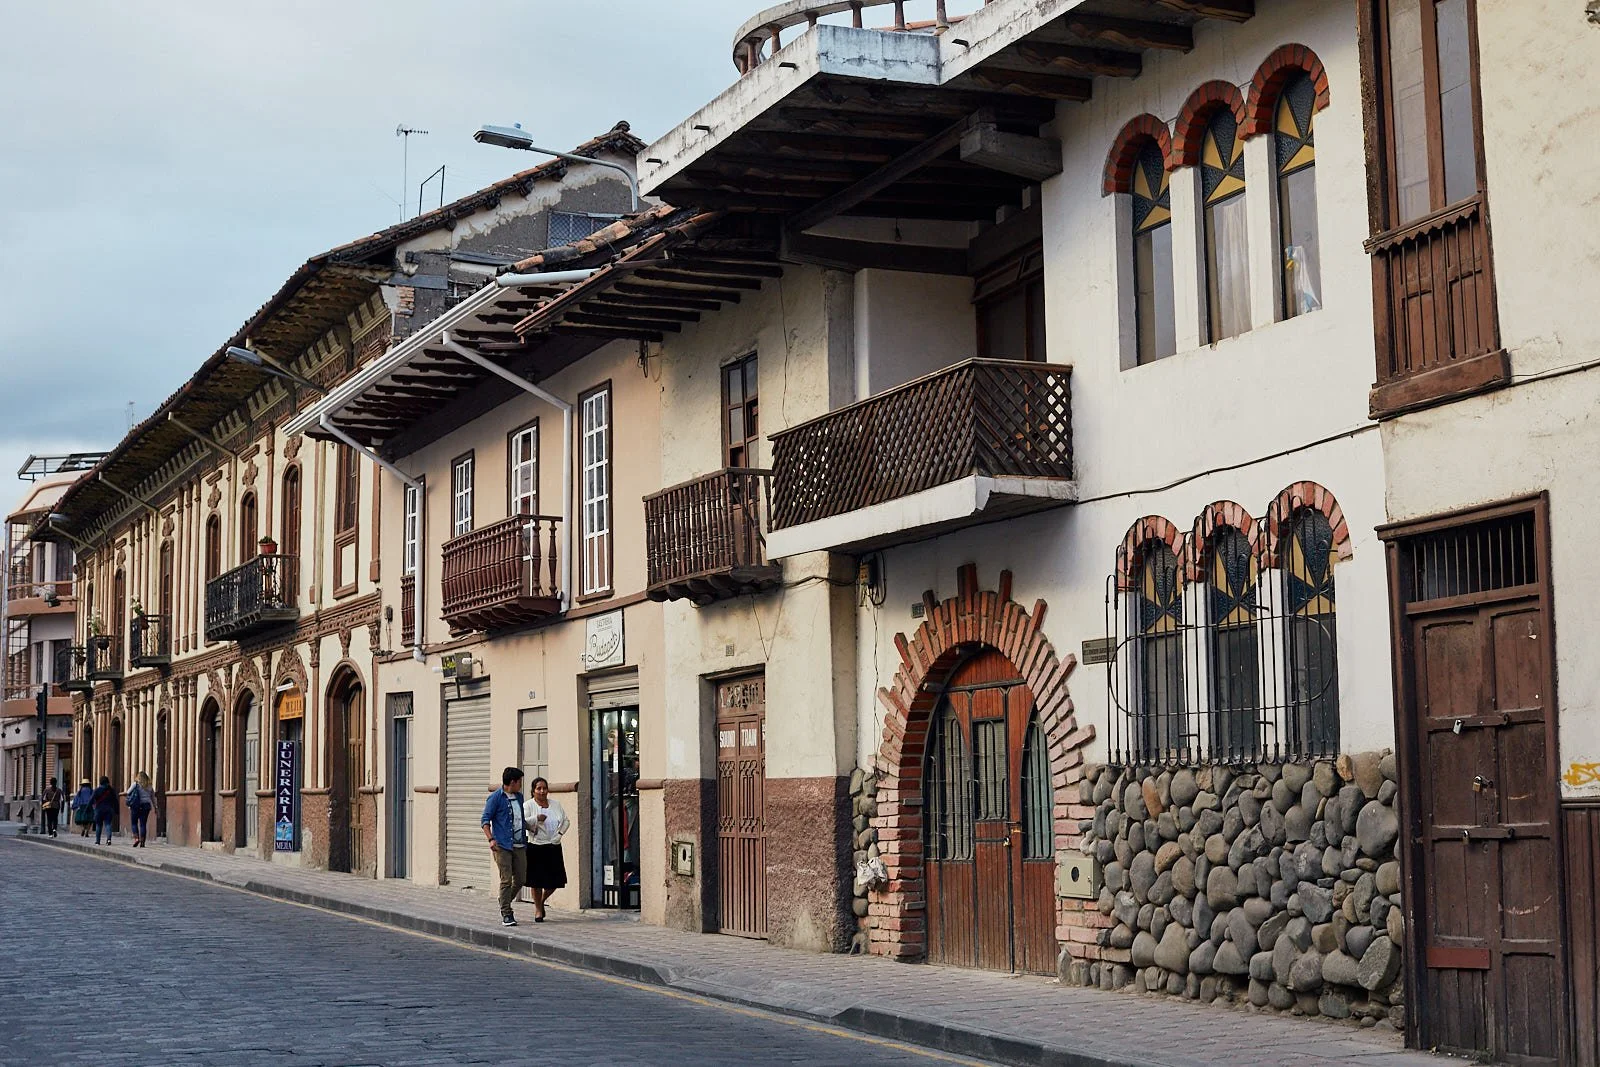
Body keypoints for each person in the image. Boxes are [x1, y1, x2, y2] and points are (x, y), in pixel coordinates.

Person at [480, 766, 527, 927]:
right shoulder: (495, 798)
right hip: (502, 845)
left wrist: (530, 826)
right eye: (519, 782)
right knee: (506, 880)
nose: (520, 785)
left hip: (519, 844)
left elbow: (519, 819)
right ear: (512, 782)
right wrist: (491, 839)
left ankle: (504, 899)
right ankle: (506, 913)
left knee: (521, 879)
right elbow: (485, 821)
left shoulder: (519, 797)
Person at [522, 776, 569, 923]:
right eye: (539, 788)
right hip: (535, 846)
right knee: (536, 882)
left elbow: (566, 821)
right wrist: (536, 818)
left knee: (555, 881)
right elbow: (523, 822)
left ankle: (541, 901)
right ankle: (538, 910)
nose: (542, 791)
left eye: (544, 788)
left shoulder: (555, 804)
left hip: (553, 845)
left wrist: (559, 834)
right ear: (533, 791)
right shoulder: (528, 805)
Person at [125, 771, 154, 847]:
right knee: (143, 824)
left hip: (136, 805)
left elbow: (128, 792)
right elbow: (153, 797)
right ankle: (142, 842)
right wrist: (155, 807)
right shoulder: (149, 785)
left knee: (134, 823)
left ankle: (136, 838)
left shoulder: (135, 784)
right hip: (146, 806)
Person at [90, 776, 117, 845]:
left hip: (99, 810)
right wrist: (116, 810)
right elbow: (115, 800)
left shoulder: (97, 790)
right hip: (108, 809)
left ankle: (97, 841)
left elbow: (91, 800)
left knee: (98, 825)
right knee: (108, 824)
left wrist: (87, 809)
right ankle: (109, 839)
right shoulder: (111, 790)